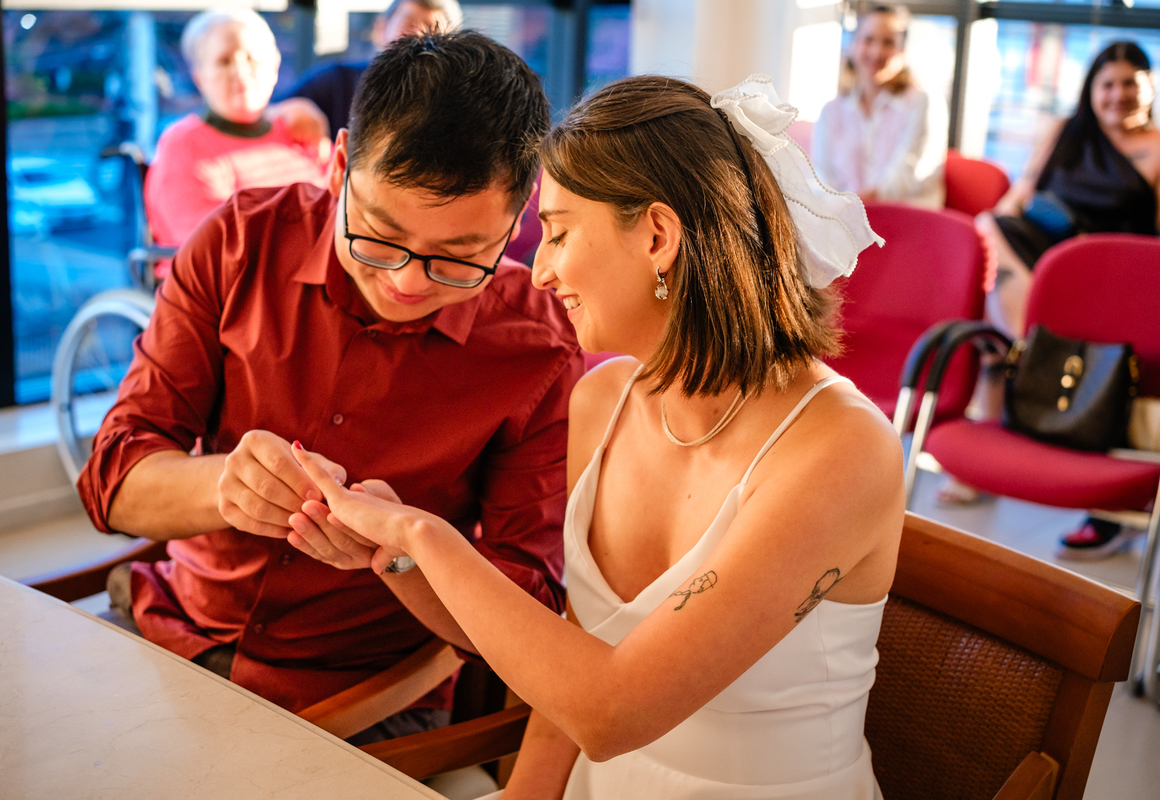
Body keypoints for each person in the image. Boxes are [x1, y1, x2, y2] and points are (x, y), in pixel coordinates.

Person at [287, 75, 904, 799]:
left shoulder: (841, 450)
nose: (541, 271)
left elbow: (611, 711)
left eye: (558, 232)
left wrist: (426, 536)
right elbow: (569, 677)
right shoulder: (602, 399)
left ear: (656, 236)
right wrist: (392, 555)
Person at [78, 31, 578, 747]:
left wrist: (403, 550)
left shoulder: (537, 348)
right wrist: (225, 486)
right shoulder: (238, 244)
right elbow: (112, 482)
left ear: (519, 219)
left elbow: (525, 614)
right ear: (340, 164)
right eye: (378, 234)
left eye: (461, 257)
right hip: (171, 629)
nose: (407, 283)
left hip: (366, 690)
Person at [945, 41, 1160, 558]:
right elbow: (1022, 192)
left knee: (1000, 313)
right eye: (1107, 83)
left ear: (1148, 87)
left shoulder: (1157, 147)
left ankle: (1027, 347)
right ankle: (1029, 342)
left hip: (1110, 275)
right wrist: (987, 226)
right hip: (1041, 258)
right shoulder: (1067, 132)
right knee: (991, 232)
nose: (1117, 94)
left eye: (1130, 82)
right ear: (1091, 88)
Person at [143, 7, 331, 279]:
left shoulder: (299, 129)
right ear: (200, 78)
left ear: (274, 67)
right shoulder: (183, 143)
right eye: (224, 61)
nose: (241, 71)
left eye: (253, 58)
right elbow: (210, 244)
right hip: (236, 287)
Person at [812, 3, 946, 208]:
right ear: (854, 44)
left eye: (888, 42)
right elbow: (823, 179)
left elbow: (909, 176)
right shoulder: (831, 111)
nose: (876, 52)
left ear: (903, 49)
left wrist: (854, 206)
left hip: (906, 222)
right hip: (846, 222)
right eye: (868, 40)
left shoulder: (923, 103)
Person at [273, 0, 463, 138]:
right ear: (381, 29)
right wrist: (286, 112)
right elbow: (264, 112)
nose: (419, 38)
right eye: (409, 25)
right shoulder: (336, 81)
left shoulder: (457, 104)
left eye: (432, 30)